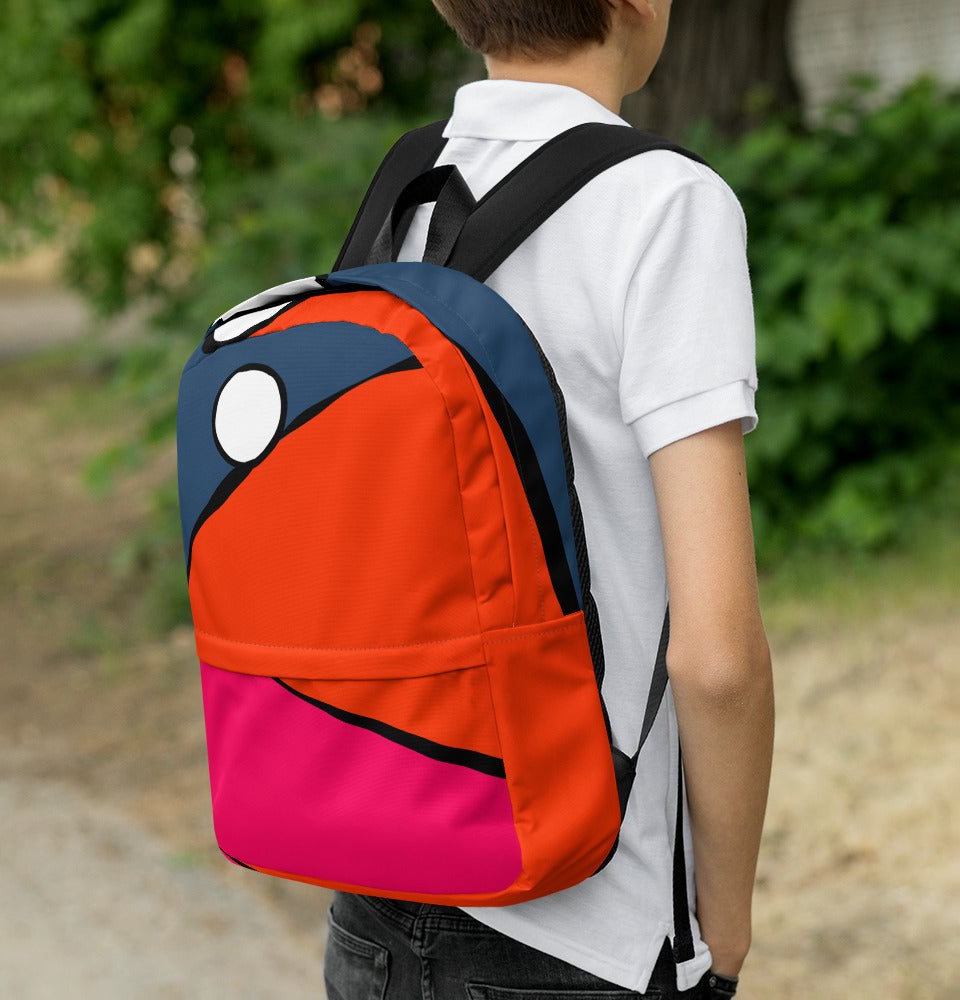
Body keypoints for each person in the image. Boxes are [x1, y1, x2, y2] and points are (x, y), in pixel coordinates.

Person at [323, 1, 774, 997]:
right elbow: (717, 661)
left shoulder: (406, 187)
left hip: (377, 891)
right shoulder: (666, 204)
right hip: (583, 920)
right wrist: (727, 923)